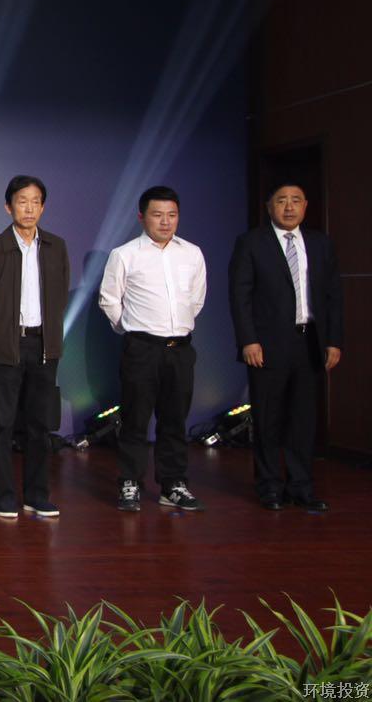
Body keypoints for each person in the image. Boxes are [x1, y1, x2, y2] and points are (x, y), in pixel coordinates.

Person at [229, 182, 342, 512]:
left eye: (295, 201)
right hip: (267, 344)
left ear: (305, 206)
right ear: (269, 207)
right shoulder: (251, 243)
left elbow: (334, 296)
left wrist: (334, 340)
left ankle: (301, 487)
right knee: (268, 417)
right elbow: (240, 296)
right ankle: (269, 487)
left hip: (310, 341)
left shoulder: (320, 244)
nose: (289, 207)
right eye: (281, 201)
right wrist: (248, 339)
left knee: (303, 419)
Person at [99, 186, 207, 513]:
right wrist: (132, 328)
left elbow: (196, 299)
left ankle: (173, 484)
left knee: (175, 420)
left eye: (172, 215)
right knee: (135, 419)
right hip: (142, 348)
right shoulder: (125, 254)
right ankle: (130, 482)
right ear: (141, 217)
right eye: (157, 215)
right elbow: (109, 299)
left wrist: (178, 326)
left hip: (180, 349)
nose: (165, 221)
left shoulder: (192, 253)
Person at [0, 176, 69, 519]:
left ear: (43, 207)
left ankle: (37, 495)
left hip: (44, 346)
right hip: (6, 347)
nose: (29, 208)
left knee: (40, 424)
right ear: (8, 207)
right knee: (3, 424)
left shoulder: (56, 247)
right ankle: (4, 495)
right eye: (22, 201)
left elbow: (60, 296)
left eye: (35, 201)